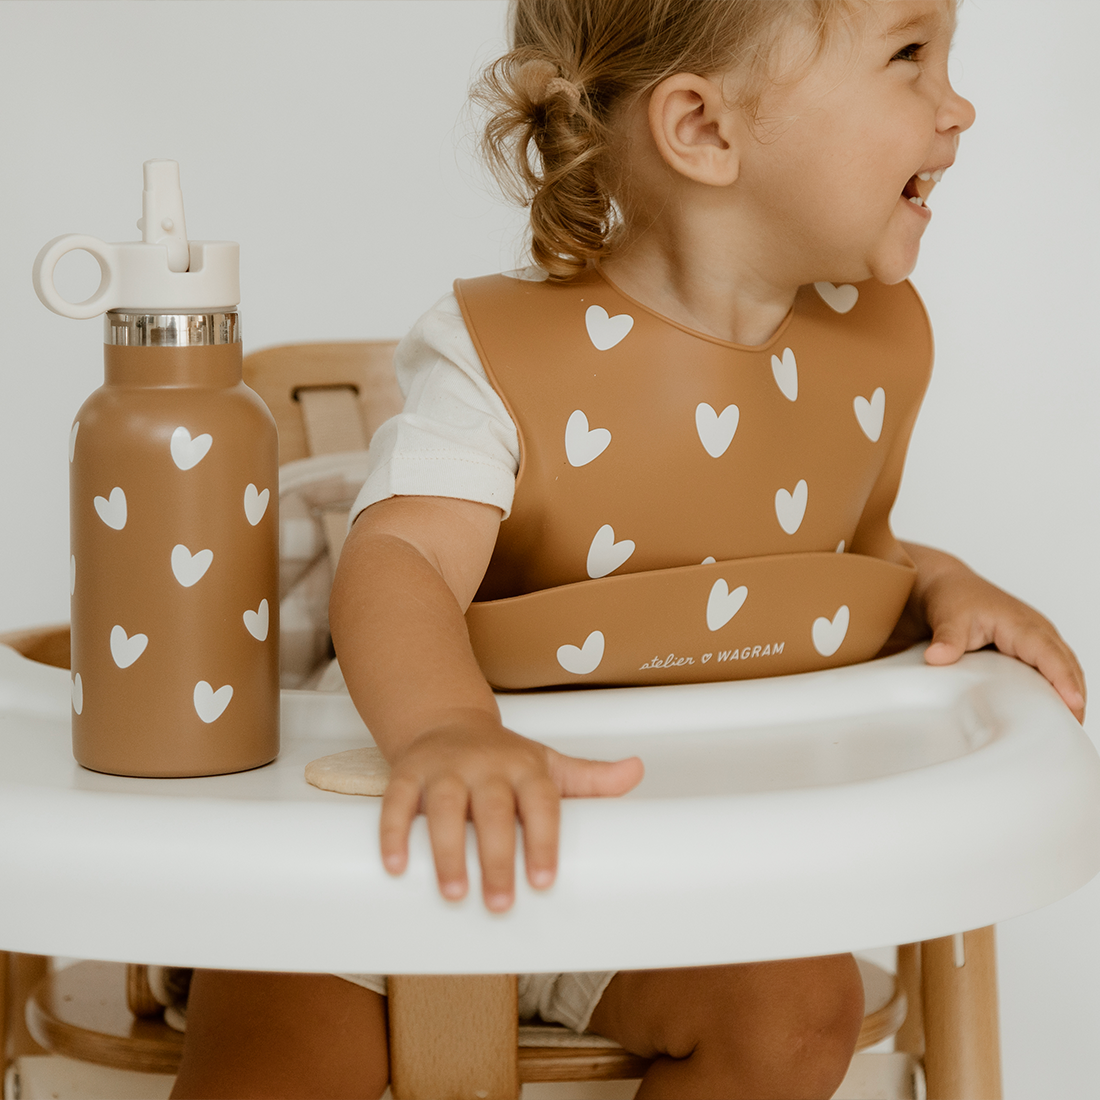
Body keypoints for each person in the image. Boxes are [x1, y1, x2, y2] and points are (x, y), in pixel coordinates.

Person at [171, 1, 1086, 1097]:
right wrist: (447, 728)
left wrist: (942, 585)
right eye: (908, 57)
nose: (957, 106)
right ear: (702, 128)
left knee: (798, 1014)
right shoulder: (500, 360)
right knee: (274, 1061)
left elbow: (806, 567)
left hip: (663, 867)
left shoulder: (871, 347)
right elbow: (401, 556)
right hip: (407, 837)